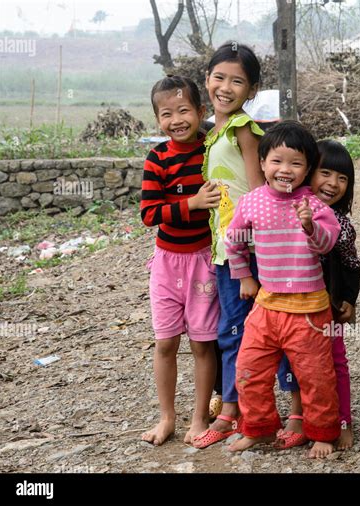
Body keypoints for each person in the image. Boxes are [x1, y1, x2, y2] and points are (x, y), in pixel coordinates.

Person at [225, 121, 342, 459]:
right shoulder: (250, 203)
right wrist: (245, 277)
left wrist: (308, 225)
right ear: (262, 163)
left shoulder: (315, 206)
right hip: (267, 306)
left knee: (316, 376)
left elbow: (327, 243)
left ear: (307, 170)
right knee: (249, 370)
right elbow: (233, 243)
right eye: (277, 161)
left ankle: (322, 433)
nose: (285, 170)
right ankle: (257, 428)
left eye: (296, 163)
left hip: (309, 311)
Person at [140, 75, 222, 446]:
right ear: (158, 118)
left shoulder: (212, 150)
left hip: (204, 261)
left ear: (201, 111)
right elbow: (149, 213)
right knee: (166, 342)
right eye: (166, 113)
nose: (176, 119)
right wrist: (190, 204)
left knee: (203, 344)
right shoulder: (157, 159)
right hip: (167, 263)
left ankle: (200, 416)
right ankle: (167, 417)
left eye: (184, 110)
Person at [192, 42, 266, 449]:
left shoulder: (242, 128)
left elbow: (257, 188)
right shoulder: (214, 130)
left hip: (244, 248)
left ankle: (235, 410)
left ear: (251, 90)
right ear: (207, 79)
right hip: (223, 248)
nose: (225, 86)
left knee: (236, 329)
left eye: (237, 81)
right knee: (231, 328)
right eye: (219, 77)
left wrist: (257, 244)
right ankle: (238, 404)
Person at [276, 139, 360, 451]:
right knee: (295, 361)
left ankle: (342, 421)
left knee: (335, 361)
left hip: (328, 306)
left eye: (342, 178)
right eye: (325, 173)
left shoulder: (341, 225)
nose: (333, 184)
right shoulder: (286, 210)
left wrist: (349, 300)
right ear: (309, 172)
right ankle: (304, 416)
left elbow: (352, 263)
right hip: (291, 304)